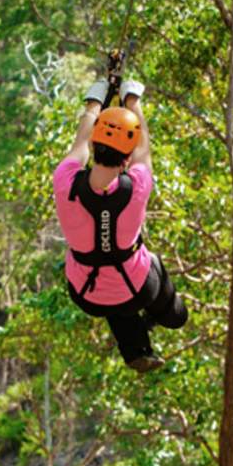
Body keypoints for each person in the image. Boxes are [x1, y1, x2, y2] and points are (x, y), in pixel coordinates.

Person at [52, 77, 188, 374]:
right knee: (164, 298)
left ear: (94, 145)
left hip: (86, 294)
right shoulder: (136, 186)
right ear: (126, 157)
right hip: (139, 287)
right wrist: (132, 102)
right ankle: (167, 317)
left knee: (111, 291)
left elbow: (79, 145)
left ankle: (136, 349)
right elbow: (143, 150)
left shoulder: (65, 183)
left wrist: (93, 105)